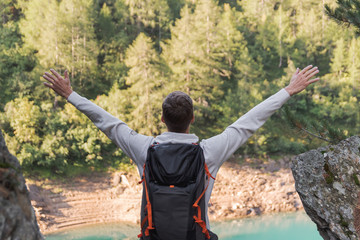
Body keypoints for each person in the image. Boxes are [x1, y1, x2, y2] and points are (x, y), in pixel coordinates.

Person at [42, 65, 319, 235]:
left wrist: (70, 95)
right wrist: (289, 90)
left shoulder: (143, 148)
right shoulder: (209, 152)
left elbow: (107, 122)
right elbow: (249, 121)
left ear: (162, 119)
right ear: (193, 119)